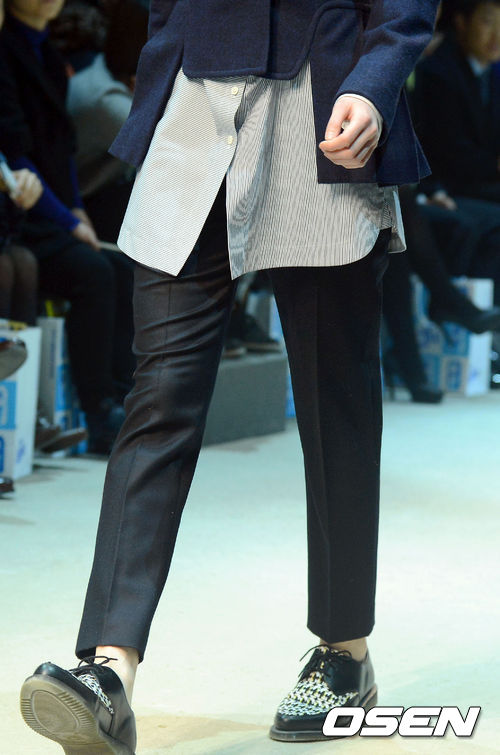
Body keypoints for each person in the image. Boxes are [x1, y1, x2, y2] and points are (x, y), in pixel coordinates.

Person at [20, 1, 440, 752]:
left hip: (324, 95)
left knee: (334, 402)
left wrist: (375, 79)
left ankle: (344, 650)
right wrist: (170, 43)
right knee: (158, 396)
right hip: (193, 101)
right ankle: (109, 668)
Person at [0, 0, 136, 454]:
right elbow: (16, 153)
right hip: (23, 217)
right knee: (91, 272)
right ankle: (98, 413)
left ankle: (124, 401)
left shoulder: (50, 56)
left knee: (120, 270)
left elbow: (62, 153)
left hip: (45, 210)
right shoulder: (8, 52)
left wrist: (77, 211)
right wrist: (66, 219)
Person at [414, 0, 500, 203]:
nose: (497, 35)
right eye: (488, 22)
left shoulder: (492, 71)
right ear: (461, 22)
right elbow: (451, 154)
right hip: (449, 188)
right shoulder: (439, 72)